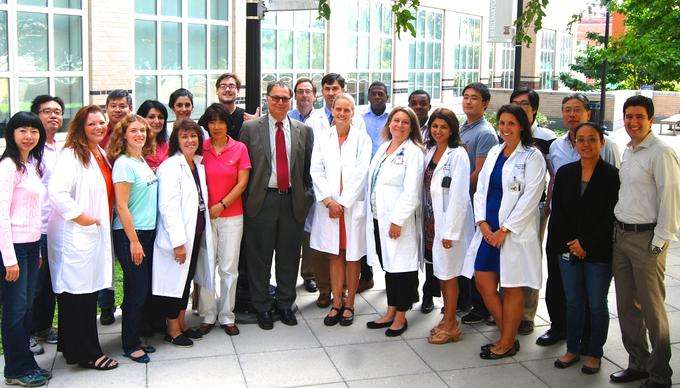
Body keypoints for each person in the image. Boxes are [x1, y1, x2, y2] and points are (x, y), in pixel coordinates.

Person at [462, 104, 546, 360]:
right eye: (502, 123)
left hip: (513, 235)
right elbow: (480, 191)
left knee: (511, 287)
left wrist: (505, 230)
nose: (506, 128)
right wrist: (483, 224)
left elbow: (531, 198)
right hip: (488, 231)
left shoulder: (533, 156)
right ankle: (507, 333)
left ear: (522, 125)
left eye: (511, 123)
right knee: (484, 282)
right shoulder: (495, 152)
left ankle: (507, 341)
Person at [538, 92, 621, 347]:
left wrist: (585, 241)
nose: (571, 114)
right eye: (567, 110)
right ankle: (561, 329)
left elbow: (613, 203)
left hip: (595, 236)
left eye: (577, 109)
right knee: (560, 284)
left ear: (588, 113)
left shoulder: (610, 157)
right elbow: (557, 191)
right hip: (563, 232)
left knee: (593, 297)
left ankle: (590, 343)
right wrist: (567, 238)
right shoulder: (556, 147)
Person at [609, 96, 680, 388]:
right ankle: (637, 362)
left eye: (639, 116)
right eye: (628, 116)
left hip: (648, 239)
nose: (632, 122)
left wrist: (660, 241)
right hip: (621, 236)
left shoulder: (661, 152)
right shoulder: (629, 151)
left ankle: (660, 374)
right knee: (626, 306)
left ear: (650, 119)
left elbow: (671, 199)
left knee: (652, 310)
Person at [48, 105, 118, 371]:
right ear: (80, 126)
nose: (98, 127)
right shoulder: (71, 155)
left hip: (90, 235)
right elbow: (57, 192)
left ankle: (69, 346)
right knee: (80, 296)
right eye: (92, 124)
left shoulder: (98, 151)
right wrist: (81, 218)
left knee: (79, 295)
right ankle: (89, 353)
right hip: (76, 235)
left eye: (101, 123)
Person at [239, 81, 314, 330]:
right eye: (275, 98)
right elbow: (244, 168)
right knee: (259, 257)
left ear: (290, 100)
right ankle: (262, 307)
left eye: (285, 98)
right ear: (267, 99)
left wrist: (306, 195)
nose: (280, 102)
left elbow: (306, 170)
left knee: (289, 257)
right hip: (262, 201)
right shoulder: (250, 129)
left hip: (293, 201)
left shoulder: (303, 130)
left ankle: (284, 304)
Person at [547, 122, 619, 374]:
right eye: (581, 140)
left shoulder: (611, 175)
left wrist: (585, 243)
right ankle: (573, 348)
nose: (586, 144)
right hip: (568, 250)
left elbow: (610, 216)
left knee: (596, 303)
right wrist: (570, 245)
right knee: (574, 302)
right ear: (574, 143)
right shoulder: (566, 173)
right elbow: (560, 214)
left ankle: (594, 352)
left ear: (602, 143)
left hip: (597, 251)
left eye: (592, 139)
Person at [310, 93, 372, 327]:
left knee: (352, 256)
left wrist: (343, 203)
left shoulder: (361, 139)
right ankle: (336, 303)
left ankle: (350, 305)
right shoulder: (323, 137)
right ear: (332, 111)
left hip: (350, 207)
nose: (342, 114)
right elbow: (316, 170)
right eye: (339, 110)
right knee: (335, 255)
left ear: (353, 113)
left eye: (347, 110)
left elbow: (361, 173)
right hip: (330, 209)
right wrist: (328, 201)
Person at [152, 118, 215, 347]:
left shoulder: (196, 164)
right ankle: (172, 329)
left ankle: (181, 323)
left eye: (193, 136)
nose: (190, 140)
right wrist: (178, 243)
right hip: (178, 237)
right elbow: (168, 208)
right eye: (184, 136)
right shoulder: (170, 166)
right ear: (176, 140)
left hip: (195, 232)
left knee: (186, 281)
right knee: (174, 284)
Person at [107, 114, 162, 363]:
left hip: (148, 232)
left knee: (140, 288)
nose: (139, 134)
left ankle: (136, 336)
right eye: (133, 131)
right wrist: (134, 241)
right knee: (136, 290)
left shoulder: (140, 160)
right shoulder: (124, 164)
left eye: (143, 130)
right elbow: (121, 206)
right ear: (123, 135)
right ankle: (130, 344)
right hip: (132, 234)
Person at [365, 106, 424, 337]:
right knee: (389, 267)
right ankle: (390, 311)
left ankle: (401, 316)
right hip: (380, 218)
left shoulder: (414, 152)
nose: (399, 125)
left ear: (412, 127)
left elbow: (412, 192)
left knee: (403, 269)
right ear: (389, 123)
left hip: (399, 222)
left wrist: (398, 220)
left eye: (405, 122)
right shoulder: (383, 148)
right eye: (395, 120)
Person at [0, 112, 49, 386]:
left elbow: (33, 212)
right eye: (23, 130)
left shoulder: (30, 164)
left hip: (31, 248)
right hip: (14, 250)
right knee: (15, 310)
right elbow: (1, 215)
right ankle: (15, 370)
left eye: (34, 130)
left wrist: (38, 251)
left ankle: (26, 363)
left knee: (27, 307)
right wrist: (9, 260)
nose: (29, 136)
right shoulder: (8, 166)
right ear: (12, 134)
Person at [196, 103, 250, 336]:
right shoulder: (200, 149)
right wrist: (209, 209)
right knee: (206, 266)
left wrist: (222, 204)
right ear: (206, 124)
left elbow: (242, 183)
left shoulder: (239, 148)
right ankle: (208, 315)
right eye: (212, 121)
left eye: (221, 121)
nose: (216, 126)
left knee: (229, 267)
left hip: (231, 216)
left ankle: (227, 315)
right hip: (205, 217)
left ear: (228, 124)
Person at [421, 108, 474, 344]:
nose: (438, 131)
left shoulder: (458, 154)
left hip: (448, 226)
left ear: (452, 129)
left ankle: (452, 324)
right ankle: (447, 318)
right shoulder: (430, 150)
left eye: (443, 127)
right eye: (434, 126)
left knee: (450, 274)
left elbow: (460, 196)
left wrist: (451, 232)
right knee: (441, 273)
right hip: (432, 222)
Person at [509, 87, 556, 335]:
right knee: (508, 257)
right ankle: (509, 308)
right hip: (506, 208)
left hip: (534, 209)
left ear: (534, 108)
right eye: (515, 103)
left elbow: (553, 174)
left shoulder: (546, 138)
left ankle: (527, 313)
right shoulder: (505, 133)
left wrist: (546, 204)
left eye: (524, 104)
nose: (520, 107)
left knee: (529, 257)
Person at [304, 73, 350, 307]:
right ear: (321, 92)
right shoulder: (313, 121)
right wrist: (327, 198)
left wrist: (343, 198)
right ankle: (324, 290)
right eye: (327, 89)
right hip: (321, 197)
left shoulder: (354, 119)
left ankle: (341, 291)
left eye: (335, 88)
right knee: (321, 245)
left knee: (343, 247)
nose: (331, 93)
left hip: (347, 198)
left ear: (342, 89)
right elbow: (313, 165)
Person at [459, 82, 498, 325]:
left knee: (477, 256)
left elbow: (480, 172)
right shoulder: (464, 127)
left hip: (474, 202)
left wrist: (459, 190)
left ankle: (481, 306)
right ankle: (468, 300)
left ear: (485, 104)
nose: (469, 101)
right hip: (461, 201)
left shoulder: (485, 133)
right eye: (465, 96)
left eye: (474, 98)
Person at [29, 95, 64, 353]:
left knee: (51, 281)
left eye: (57, 111)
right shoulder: (30, 150)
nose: (53, 116)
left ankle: (43, 326)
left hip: (58, 227)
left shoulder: (62, 147)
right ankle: (27, 332)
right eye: (47, 111)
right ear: (36, 115)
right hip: (36, 228)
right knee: (33, 284)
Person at [99, 89, 133, 325]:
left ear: (129, 108)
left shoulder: (134, 132)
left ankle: (130, 304)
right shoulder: (100, 133)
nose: (118, 109)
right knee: (105, 258)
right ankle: (107, 305)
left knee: (130, 257)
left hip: (129, 205)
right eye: (114, 105)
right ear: (107, 107)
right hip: (103, 205)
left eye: (123, 105)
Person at [290, 77, 319, 294]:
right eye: (300, 91)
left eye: (308, 91)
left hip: (312, 183)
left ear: (314, 95)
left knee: (309, 230)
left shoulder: (322, 121)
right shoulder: (287, 117)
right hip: (290, 182)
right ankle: (287, 276)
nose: (304, 95)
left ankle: (309, 274)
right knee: (292, 231)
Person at [215, 73, 257, 139]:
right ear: (217, 91)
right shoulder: (208, 116)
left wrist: (257, 124)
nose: (227, 89)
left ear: (238, 91)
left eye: (231, 86)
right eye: (223, 86)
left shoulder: (246, 116)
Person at [137, 100, 170, 171]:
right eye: (151, 117)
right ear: (141, 119)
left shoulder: (167, 145)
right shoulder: (135, 145)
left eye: (160, 117)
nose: (157, 121)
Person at [363, 81, 390, 156]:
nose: (377, 97)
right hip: (366, 160)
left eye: (380, 94)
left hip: (387, 160)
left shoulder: (393, 117)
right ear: (368, 97)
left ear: (387, 97)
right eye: (373, 94)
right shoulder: (361, 117)